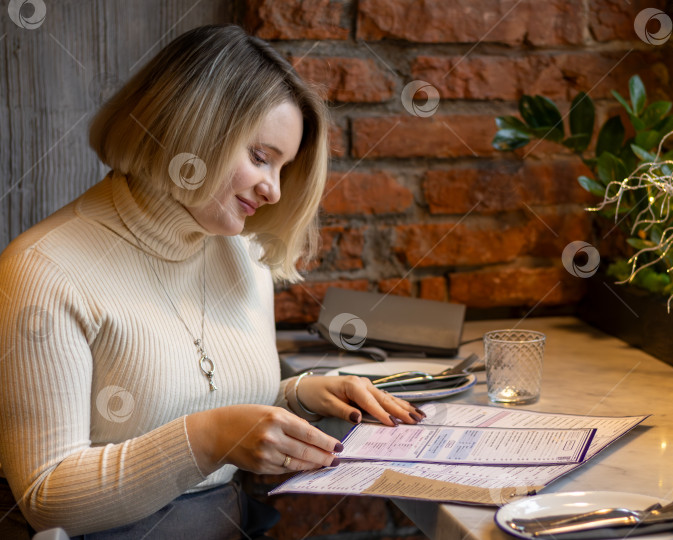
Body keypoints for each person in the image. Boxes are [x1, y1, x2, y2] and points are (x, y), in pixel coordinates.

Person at [0, 24, 425, 539]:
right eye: (261, 157)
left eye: (283, 168)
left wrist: (300, 395)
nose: (272, 190)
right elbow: (46, 499)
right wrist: (208, 440)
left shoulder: (241, 253)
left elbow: (193, 397)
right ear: (191, 129)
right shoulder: (43, 269)